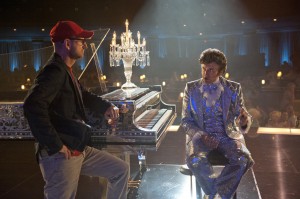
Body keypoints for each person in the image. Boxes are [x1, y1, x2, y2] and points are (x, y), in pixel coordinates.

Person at [23, 21, 129, 199]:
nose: (85, 45)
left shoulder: (65, 70)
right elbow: (32, 106)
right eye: (81, 41)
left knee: (120, 170)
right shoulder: (54, 71)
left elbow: (84, 95)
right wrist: (56, 145)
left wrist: (105, 106)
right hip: (61, 154)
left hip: (78, 147)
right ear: (67, 43)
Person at [181, 48, 254, 199]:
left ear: (220, 71)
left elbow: (241, 117)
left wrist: (244, 120)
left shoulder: (234, 88)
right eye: (203, 69)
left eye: (211, 70)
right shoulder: (191, 88)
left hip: (227, 136)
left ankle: (216, 194)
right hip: (201, 136)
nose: (205, 73)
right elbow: (185, 121)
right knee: (194, 160)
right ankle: (216, 193)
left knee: (243, 159)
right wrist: (202, 136)